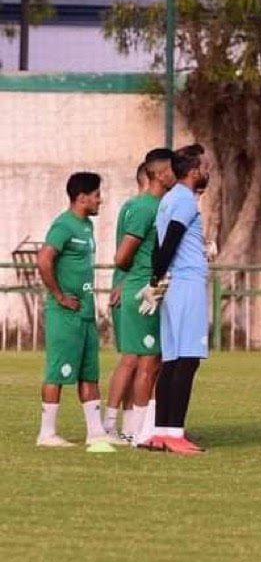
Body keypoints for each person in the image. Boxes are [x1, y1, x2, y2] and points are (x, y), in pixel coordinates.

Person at [141, 144, 213, 455]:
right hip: (186, 284)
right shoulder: (184, 200)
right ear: (194, 172)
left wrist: (156, 280)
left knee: (171, 361)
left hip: (173, 285)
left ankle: (160, 432)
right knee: (187, 359)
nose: (208, 172)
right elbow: (170, 241)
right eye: (205, 168)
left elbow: (159, 245)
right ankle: (175, 433)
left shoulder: (168, 199)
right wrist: (156, 278)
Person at [36, 172, 115, 450]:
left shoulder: (86, 226)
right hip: (65, 315)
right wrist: (59, 296)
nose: (100, 200)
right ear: (82, 198)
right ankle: (47, 433)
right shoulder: (63, 225)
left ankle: (96, 432)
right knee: (57, 372)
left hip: (85, 313)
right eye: (96, 195)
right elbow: (44, 260)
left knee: (89, 373)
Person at [113, 148, 176, 447]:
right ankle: (134, 430)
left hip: (155, 287)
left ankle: (141, 427)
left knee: (153, 361)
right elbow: (122, 256)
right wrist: (135, 279)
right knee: (145, 361)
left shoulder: (159, 206)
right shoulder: (144, 207)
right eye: (172, 170)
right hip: (143, 290)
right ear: (159, 174)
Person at [102, 161, 148, 439]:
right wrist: (125, 281)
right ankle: (109, 424)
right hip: (130, 287)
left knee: (139, 359)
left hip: (127, 284)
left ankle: (130, 425)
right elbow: (127, 252)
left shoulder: (129, 207)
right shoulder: (141, 208)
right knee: (132, 358)